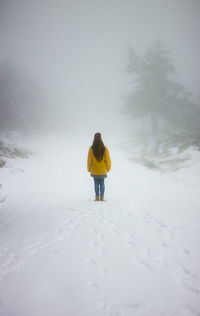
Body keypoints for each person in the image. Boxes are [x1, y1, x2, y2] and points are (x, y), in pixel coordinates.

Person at [87, 133, 111, 201]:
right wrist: (108, 167)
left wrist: (89, 169)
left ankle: (97, 197)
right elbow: (108, 159)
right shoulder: (105, 148)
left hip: (94, 170)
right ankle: (102, 197)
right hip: (102, 170)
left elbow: (89, 160)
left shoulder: (91, 149)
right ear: (101, 139)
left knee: (96, 184)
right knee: (102, 184)